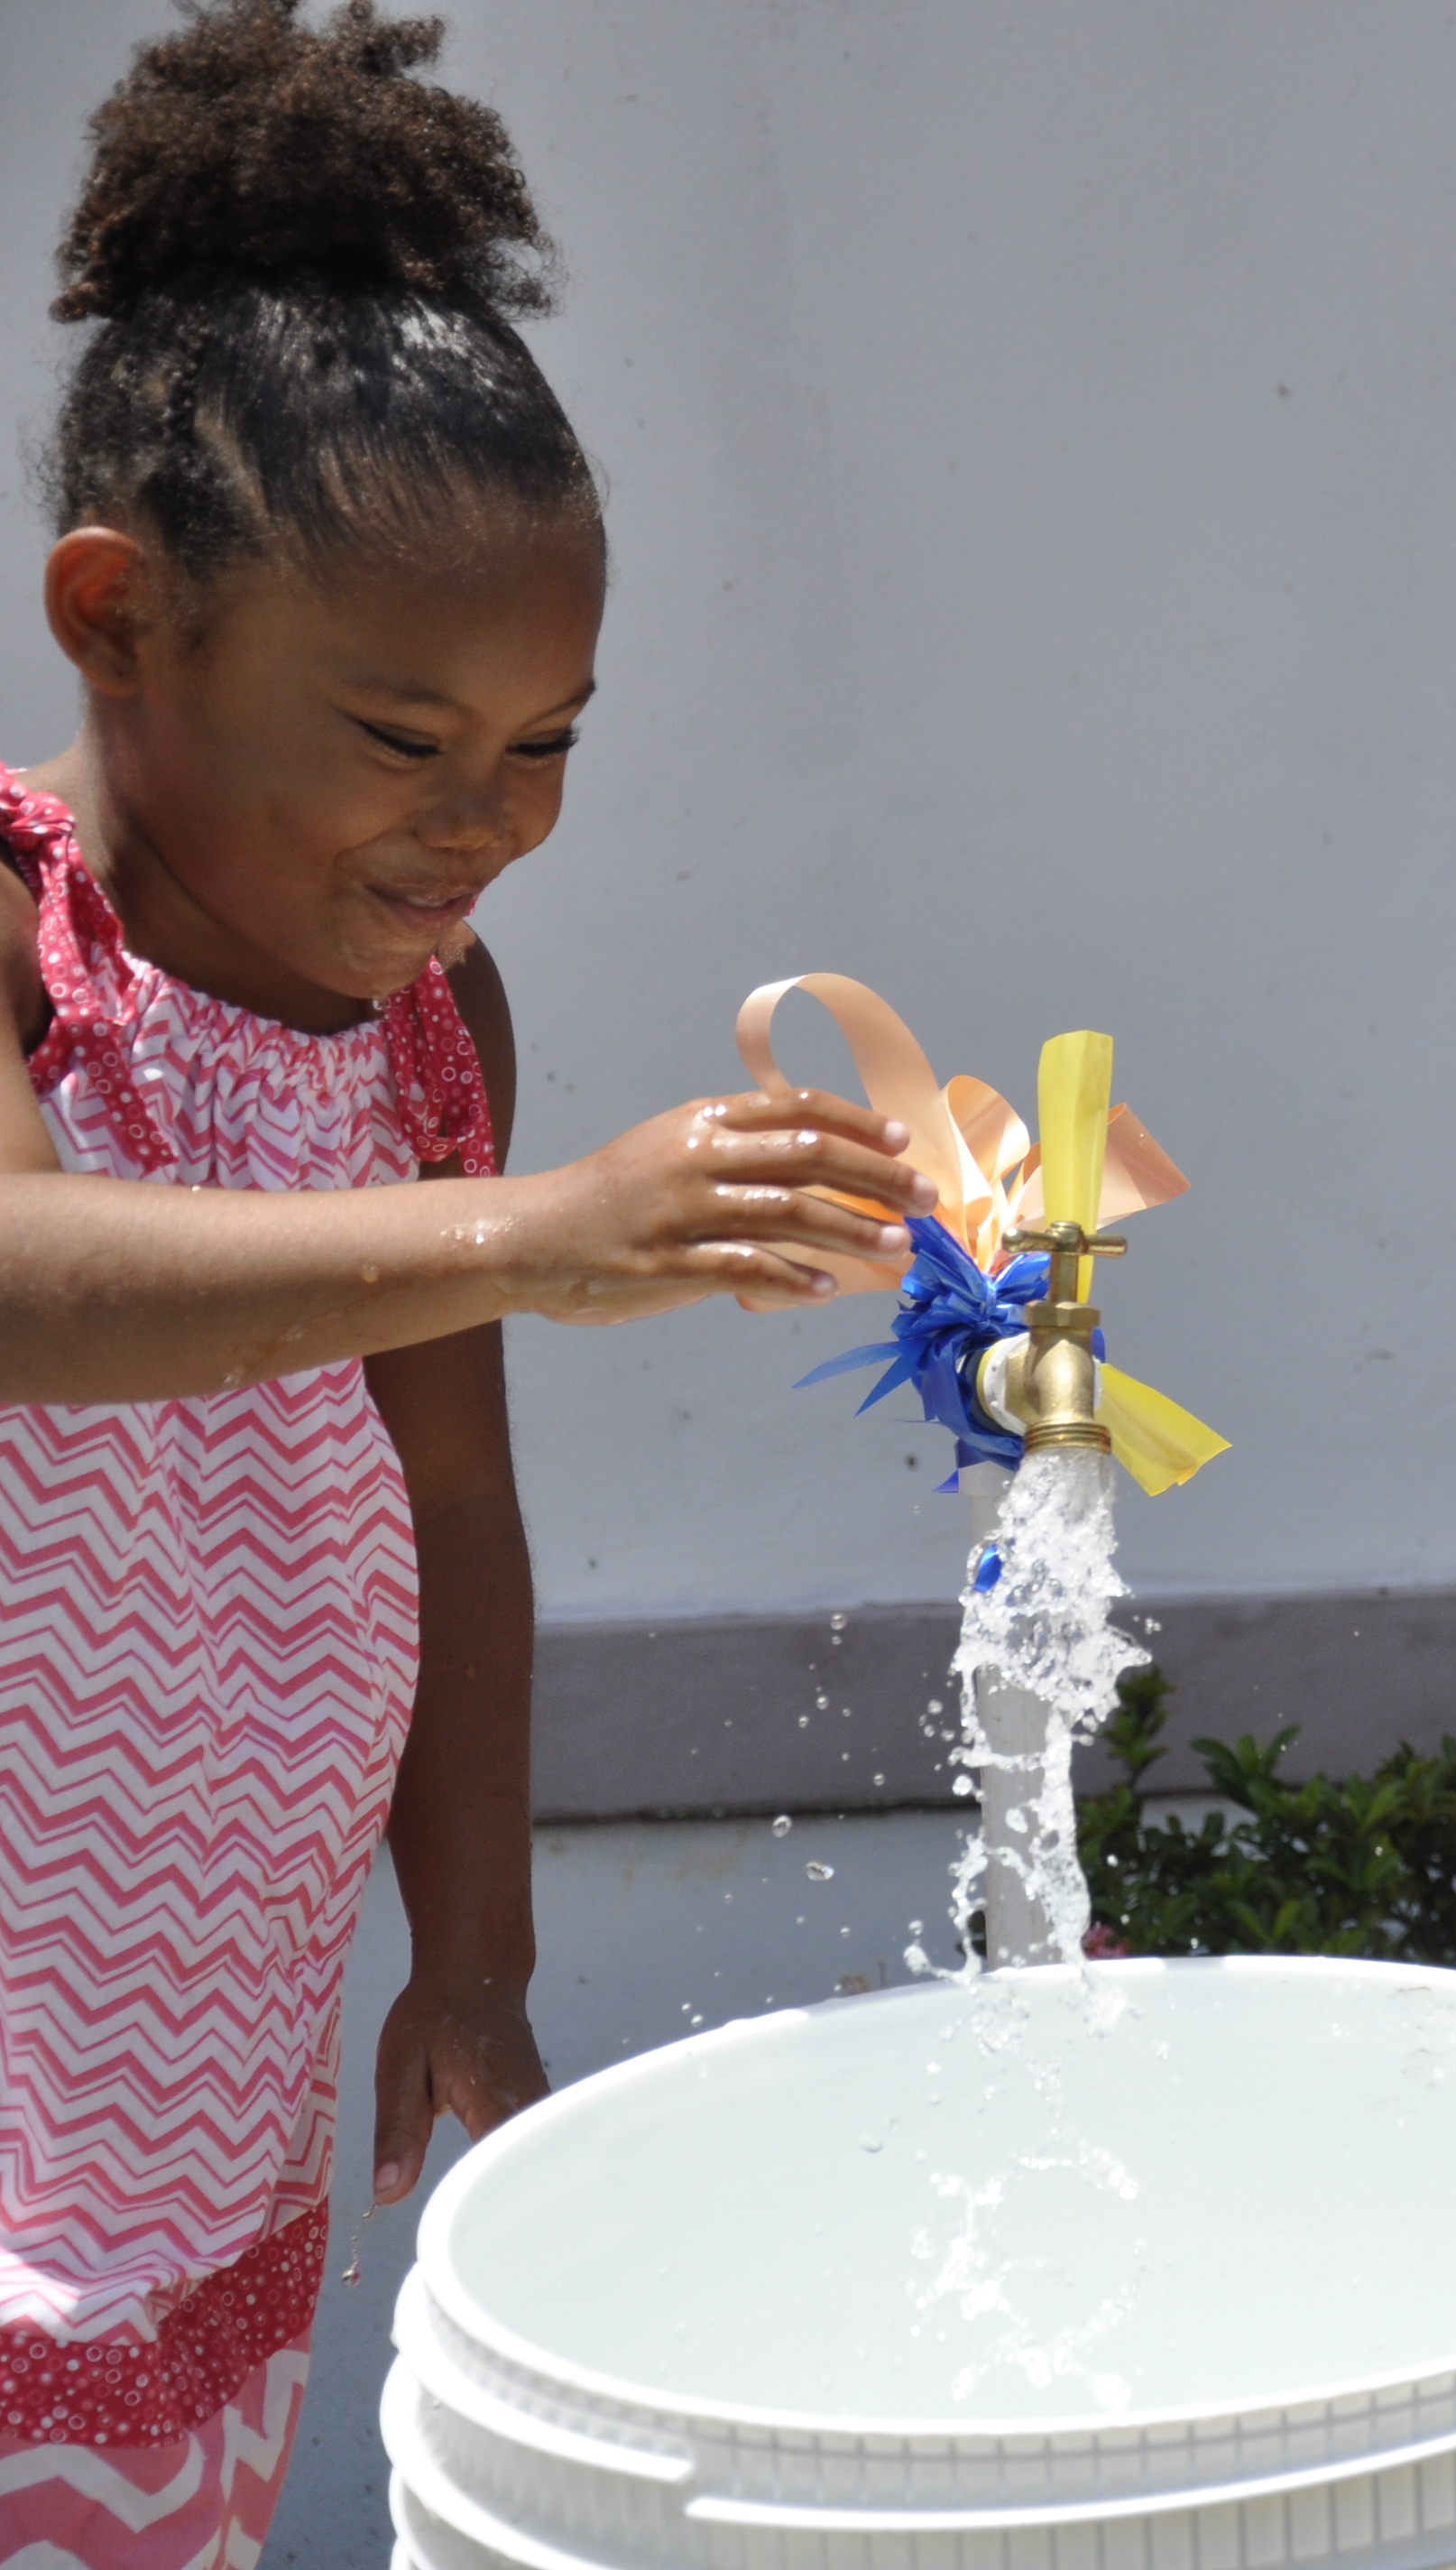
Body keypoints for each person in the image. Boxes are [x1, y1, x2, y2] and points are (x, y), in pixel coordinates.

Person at [0, 6, 929, 2555]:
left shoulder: (429, 1030)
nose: (483, 825)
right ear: (121, 620)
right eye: (408, 735)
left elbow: (456, 1517)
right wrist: (535, 1237)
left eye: (547, 744)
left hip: (210, 2002)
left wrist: (483, 1951)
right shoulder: (13, 937)